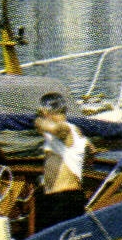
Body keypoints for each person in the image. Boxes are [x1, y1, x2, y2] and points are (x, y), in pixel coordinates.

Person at [31, 93, 89, 232]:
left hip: (64, 200)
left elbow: (57, 129)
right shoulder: (69, 131)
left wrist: (38, 121)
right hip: (53, 199)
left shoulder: (66, 129)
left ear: (45, 111)